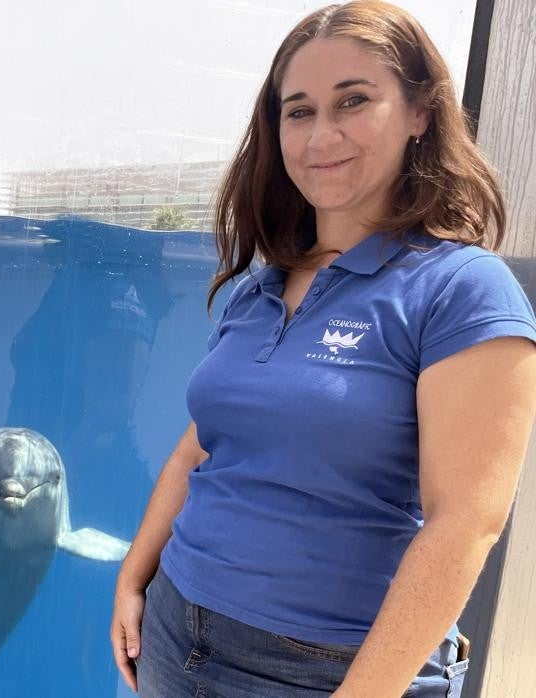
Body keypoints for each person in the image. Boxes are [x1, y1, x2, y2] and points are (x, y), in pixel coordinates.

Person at [109, 2, 536, 696]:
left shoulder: (463, 290)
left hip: (326, 671)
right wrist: (135, 576)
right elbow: (199, 449)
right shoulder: (261, 287)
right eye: (298, 111)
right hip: (174, 630)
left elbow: (466, 526)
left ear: (421, 112)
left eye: (354, 101)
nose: (321, 134)